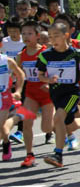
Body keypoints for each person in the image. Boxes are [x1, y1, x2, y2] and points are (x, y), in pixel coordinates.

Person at [36, 22, 80, 168]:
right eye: (50, 37)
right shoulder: (45, 55)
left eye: (56, 36)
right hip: (55, 94)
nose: (53, 40)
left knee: (58, 118)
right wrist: (47, 80)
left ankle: (58, 154)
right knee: (70, 125)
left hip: (71, 93)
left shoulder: (75, 53)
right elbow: (40, 75)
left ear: (66, 35)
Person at [16, 21, 54, 167]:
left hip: (47, 94)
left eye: (30, 33)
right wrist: (17, 90)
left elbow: (55, 72)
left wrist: (49, 82)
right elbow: (18, 75)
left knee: (46, 128)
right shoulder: (21, 55)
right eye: (23, 33)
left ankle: (59, 125)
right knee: (27, 123)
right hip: (30, 93)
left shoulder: (46, 52)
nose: (26, 36)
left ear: (38, 36)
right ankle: (29, 155)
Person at [0, 48, 28, 162]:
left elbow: (21, 75)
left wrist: (18, 91)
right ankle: (6, 141)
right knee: (2, 128)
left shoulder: (6, 61)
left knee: (0, 124)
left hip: (4, 97)